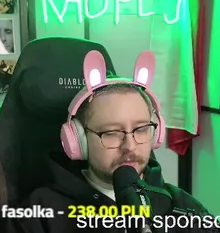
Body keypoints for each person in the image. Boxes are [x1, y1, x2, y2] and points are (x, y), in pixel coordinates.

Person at [20, 52, 209, 233]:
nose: (130, 146)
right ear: (78, 140)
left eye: (141, 129)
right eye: (111, 133)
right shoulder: (39, 215)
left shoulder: (183, 208)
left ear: (156, 132)